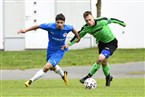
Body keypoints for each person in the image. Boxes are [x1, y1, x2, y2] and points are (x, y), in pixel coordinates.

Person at [62, 11, 126, 86]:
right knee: (104, 62)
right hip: (101, 44)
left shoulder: (102, 21)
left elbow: (112, 20)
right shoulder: (86, 28)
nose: (89, 22)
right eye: (86, 20)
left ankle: (88, 77)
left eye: (90, 19)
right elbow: (78, 36)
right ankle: (108, 77)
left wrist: (122, 23)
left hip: (111, 42)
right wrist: (68, 44)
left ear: (93, 17)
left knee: (100, 58)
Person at [18, 13, 80, 87]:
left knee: (47, 67)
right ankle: (64, 75)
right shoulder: (50, 26)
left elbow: (77, 35)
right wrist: (25, 30)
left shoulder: (68, 28)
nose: (59, 24)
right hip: (50, 50)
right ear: (55, 22)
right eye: (58, 22)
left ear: (64, 23)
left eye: (61, 23)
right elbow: (38, 26)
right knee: (52, 67)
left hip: (60, 50)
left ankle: (30, 81)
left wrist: (71, 43)